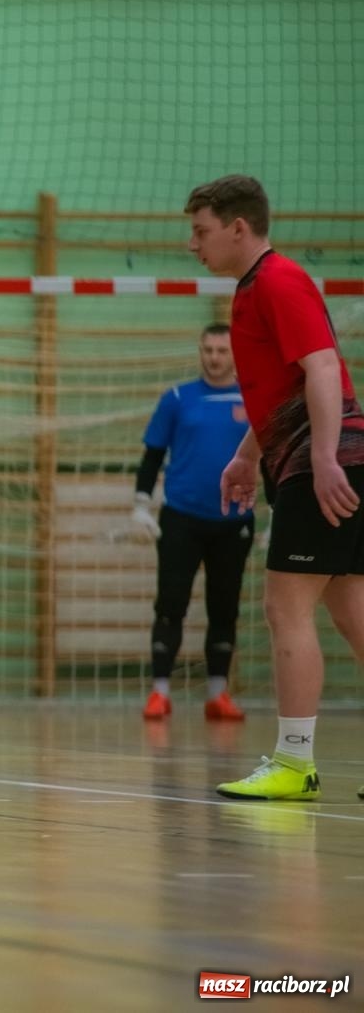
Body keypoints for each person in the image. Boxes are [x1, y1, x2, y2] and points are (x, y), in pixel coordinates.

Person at [187, 175, 364, 801]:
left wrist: (321, 459)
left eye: (201, 231)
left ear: (240, 227)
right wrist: (244, 456)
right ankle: (294, 763)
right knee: (351, 613)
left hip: (322, 468)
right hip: (321, 461)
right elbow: (282, 389)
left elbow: (319, 367)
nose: (193, 244)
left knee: (284, 609)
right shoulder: (254, 289)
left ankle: (294, 764)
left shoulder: (280, 280)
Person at [133, 324, 254, 721]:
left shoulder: (253, 400)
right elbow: (152, 455)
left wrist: (282, 511)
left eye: (221, 350)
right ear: (200, 352)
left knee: (224, 607)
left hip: (233, 520)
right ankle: (160, 692)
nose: (214, 357)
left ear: (234, 354)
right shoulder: (178, 398)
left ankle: (218, 694)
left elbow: (270, 459)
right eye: (208, 350)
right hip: (181, 518)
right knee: (170, 604)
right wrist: (140, 505)